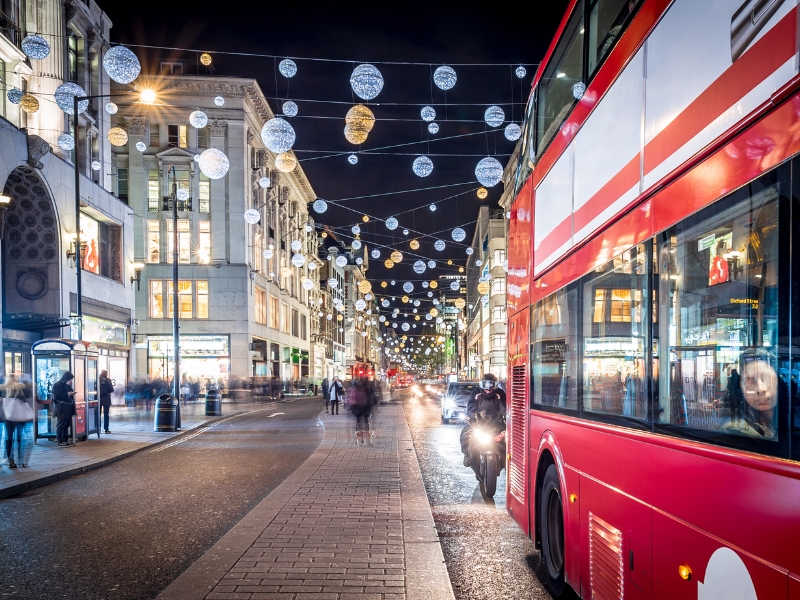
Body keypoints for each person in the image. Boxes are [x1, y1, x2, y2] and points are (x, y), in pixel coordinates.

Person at [461, 374, 507, 467]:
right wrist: (470, 418)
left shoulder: (500, 393)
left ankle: (506, 460)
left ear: (495, 385)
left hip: (497, 424)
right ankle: (466, 455)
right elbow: (471, 408)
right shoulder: (475, 393)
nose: (488, 389)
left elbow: (505, 409)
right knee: (465, 434)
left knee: (509, 438)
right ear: (481, 385)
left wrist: (508, 419)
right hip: (480, 424)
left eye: (491, 386)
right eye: (485, 386)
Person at [3, 375, 32, 468]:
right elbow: (26, 400)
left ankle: (10, 460)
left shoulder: (4, 389)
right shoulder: (20, 388)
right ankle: (21, 460)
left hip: (8, 417)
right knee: (20, 439)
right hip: (19, 417)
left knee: (9, 438)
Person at [52, 371, 76, 447]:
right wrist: (67, 394)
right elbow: (56, 396)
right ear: (66, 378)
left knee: (66, 424)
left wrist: (70, 393)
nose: (70, 381)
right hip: (61, 408)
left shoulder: (66, 385)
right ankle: (60, 440)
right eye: (70, 380)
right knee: (61, 424)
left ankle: (65, 439)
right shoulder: (58, 385)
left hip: (68, 408)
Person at [348, 377, 374, 445]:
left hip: (356, 407)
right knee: (366, 422)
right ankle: (367, 441)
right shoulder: (368, 388)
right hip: (365, 407)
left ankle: (359, 441)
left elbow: (351, 398)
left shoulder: (355, 388)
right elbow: (371, 397)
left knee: (358, 422)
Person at [99, 370, 114, 434]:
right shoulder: (108, 380)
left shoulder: (97, 379)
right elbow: (111, 390)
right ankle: (106, 429)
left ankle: (98, 428)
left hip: (98, 399)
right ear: (106, 374)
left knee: (98, 414)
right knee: (106, 414)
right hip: (106, 399)